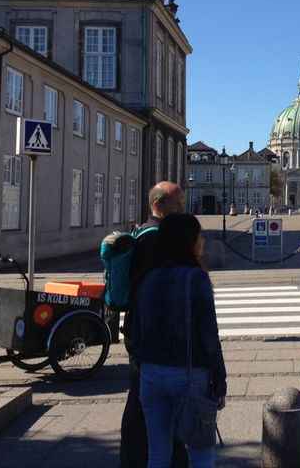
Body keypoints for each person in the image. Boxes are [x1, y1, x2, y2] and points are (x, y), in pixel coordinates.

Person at [131, 213, 227, 468]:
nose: (202, 242)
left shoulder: (147, 276)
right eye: (199, 236)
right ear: (189, 241)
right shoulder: (195, 278)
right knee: (201, 454)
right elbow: (208, 334)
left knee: (158, 454)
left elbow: (136, 329)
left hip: (151, 373)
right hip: (189, 373)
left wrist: (142, 366)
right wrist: (220, 377)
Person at [120, 182, 189, 468]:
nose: (183, 208)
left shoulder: (146, 233)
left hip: (144, 332)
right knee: (145, 402)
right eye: (178, 203)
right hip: (152, 335)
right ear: (161, 205)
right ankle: (144, 458)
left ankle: (147, 456)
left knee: (142, 400)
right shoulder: (154, 239)